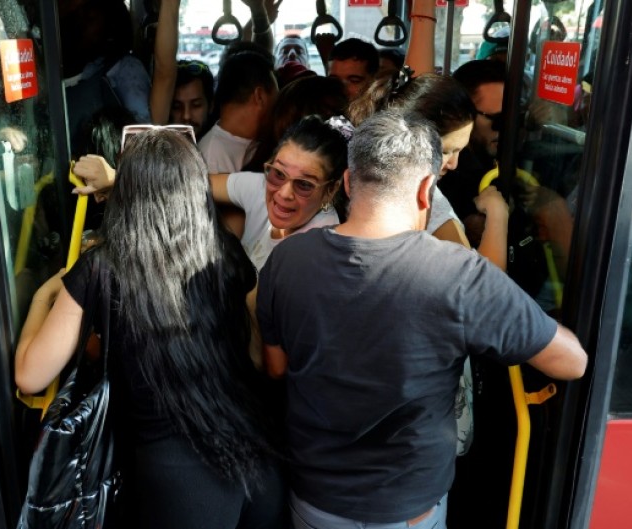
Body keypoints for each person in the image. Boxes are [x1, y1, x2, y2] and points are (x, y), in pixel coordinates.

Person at [257, 110, 588, 528]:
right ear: (426, 190)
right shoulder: (459, 275)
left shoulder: (286, 259)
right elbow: (571, 362)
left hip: (313, 500)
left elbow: (276, 367)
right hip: (409, 509)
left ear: (345, 181)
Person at [15, 128, 286, 528]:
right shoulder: (226, 252)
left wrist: (41, 297)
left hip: (181, 483)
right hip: (259, 460)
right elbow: (258, 357)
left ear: (124, 195)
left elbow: (30, 375)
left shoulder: (102, 268)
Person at [349, 71, 509, 269]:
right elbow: (485, 287)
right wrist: (497, 214)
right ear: (408, 138)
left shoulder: (356, 171)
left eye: (460, 150)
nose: (453, 164)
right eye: (445, 151)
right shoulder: (427, 201)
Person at [210, 115, 348, 270]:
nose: (284, 193)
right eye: (279, 173)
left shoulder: (315, 247)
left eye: (304, 184)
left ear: (331, 190)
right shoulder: (264, 184)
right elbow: (195, 184)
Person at [198, 51, 278, 173]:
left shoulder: (259, 141)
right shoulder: (210, 160)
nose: (277, 105)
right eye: (276, 96)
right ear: (259, 96)